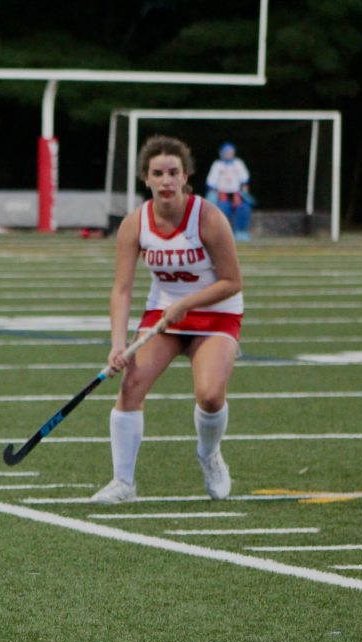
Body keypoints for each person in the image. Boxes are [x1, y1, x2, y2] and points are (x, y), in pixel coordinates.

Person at [92, 135, 244, 505]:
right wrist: (118, 344)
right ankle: (123, 482)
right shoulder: (135, 224)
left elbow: (232, 281)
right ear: (146, 178)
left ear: (186, 175)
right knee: (132, 385)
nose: (166, 181)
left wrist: (187, 304)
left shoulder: (207, 218)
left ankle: (209, 455)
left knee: (209, 395)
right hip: (163, 315)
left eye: (173, 172)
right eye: (157, 173)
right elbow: (122, 289)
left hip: (216, 313)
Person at [205, 141, 254, 241]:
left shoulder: (238, 163)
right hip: (222, 194)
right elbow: (211, 181)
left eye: (231, 152)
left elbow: (244, 178)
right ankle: (223, 233)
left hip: (237, 194)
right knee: (223, 210)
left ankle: (241, 232)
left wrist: (244, 189)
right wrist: (212, 194)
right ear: (221, 153)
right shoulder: (217, 165)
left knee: (243, 209)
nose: (229, 154)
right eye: (226, 152)